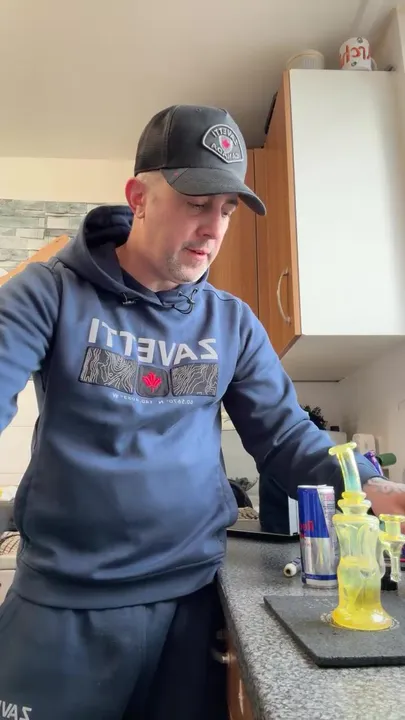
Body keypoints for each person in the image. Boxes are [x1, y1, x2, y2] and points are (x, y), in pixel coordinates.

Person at [0, 104, 403, 720]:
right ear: (138, 197)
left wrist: (371, 486)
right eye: (195, 202)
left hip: (191, 608)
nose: (213, 228)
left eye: (227, 209)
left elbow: (286, 437)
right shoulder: (47, 293)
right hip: (63, 611)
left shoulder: (232, 323)